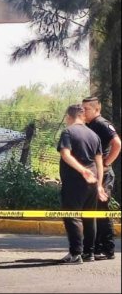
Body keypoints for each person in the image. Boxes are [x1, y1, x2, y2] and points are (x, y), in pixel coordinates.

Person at [56, 104, 106, 264]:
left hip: (75, 182)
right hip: (92, 182)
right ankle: (89, 253)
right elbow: (99, 162)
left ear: (68, 117)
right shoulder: (93, 135)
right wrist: (99, 185)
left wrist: (82, 170)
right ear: (83, 116)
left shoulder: (68, 132)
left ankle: (76, 253)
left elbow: (65, 154)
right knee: (89, 217)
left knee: (72, 216)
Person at [82, 96, 120, 261]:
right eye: (82, 109)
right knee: (93, 211)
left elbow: (117, 143)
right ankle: (96, 247)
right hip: (93, 173)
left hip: (103, 174)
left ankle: (108, 249)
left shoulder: (102, 124)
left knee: (102, 211)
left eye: (87, 109)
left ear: (96, 109)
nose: (83, 112)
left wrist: (106, 163)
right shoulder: (88, 124)